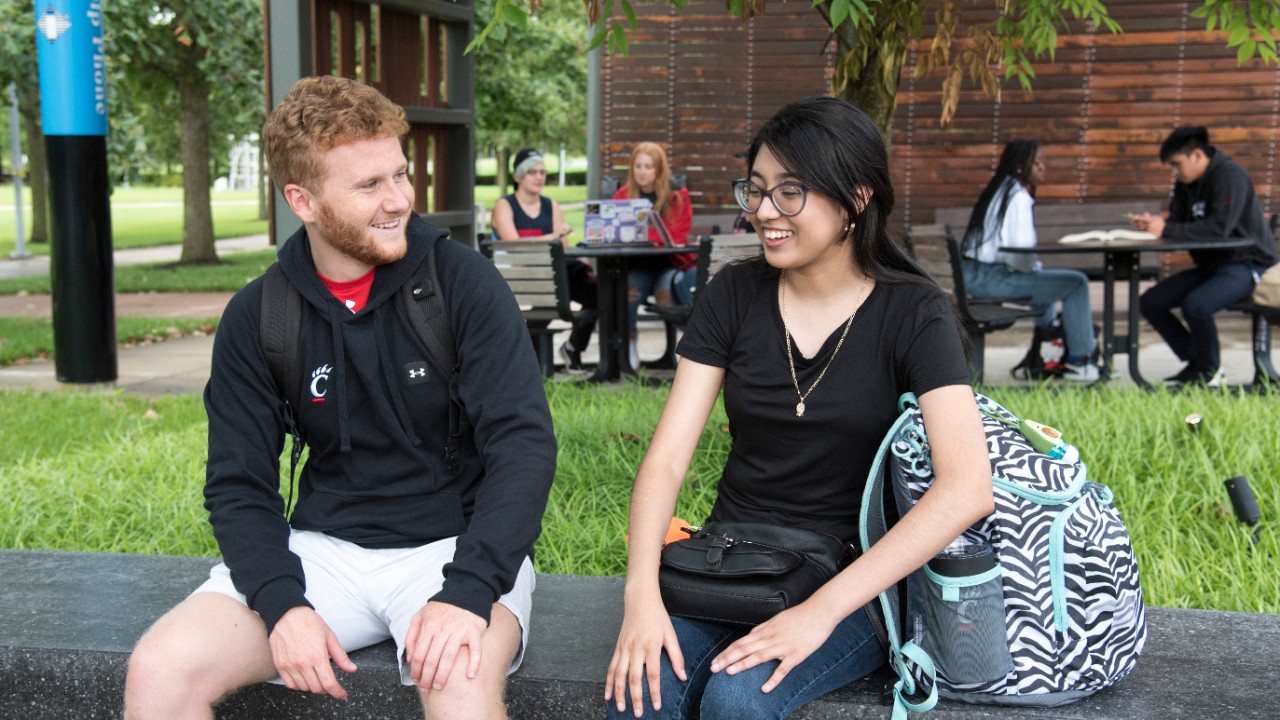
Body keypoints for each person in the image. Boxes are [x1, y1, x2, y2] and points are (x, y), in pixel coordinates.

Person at [123, 76, 557, 720]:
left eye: (400, 175)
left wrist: (467, 591)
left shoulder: (462, 283)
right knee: (160, 669)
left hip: (454, 547)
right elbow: (238, 483)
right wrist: (283, 604)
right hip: (322, 551)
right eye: (369, 185)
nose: (399, 200)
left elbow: (524, 445)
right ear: (302, 199)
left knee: (459, 683)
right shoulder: (259, 315)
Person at [602, 97, 993, 720]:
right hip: (733, 561)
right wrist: (641, 597)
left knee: (738, 700)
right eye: (755, 190)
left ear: (856, 200)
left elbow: (968, 487)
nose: (763, 212)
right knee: (640, 693)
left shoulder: (915, 313)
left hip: (851, 585)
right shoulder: (733, 293)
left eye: (790, 192)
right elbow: (667, 461)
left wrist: (818, 613)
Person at [1131, 126, 1280, 386]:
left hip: (1249, 264)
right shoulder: (1185, 185)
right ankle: (1199, 361)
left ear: (1197, 155)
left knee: (1196, 305)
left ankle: (1210, 370)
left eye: (1177, 164)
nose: (1175, 172)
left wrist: (1167, 228)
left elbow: (1219, 228)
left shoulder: (1229, 175)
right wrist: (1156, 223)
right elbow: (1177, 222)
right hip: (1213, 265)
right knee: (1151, 301)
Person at [961, 139, 1100, 381]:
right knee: (1076, 283)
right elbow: (1019, 252)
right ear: (1019, 166)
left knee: (1044, 292)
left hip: (972, 275)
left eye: (1043, 162)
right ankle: (1082, 361)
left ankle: (1044, 357)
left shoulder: (999, 189)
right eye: (1036, 163)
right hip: (991, 278)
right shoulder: (1018, 197)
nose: (1042, 168)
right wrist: (1035, 268)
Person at [493, 147, 598, 372]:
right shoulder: (505, 205)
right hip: (523, 279)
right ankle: (528, 362)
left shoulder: (552, 206)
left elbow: (563, 251)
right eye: (532, 172)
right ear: (518, 176)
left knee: (598, 292)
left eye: (542, 172)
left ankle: (572, 347)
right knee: (553, 293)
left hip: (553, 278)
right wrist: (552, 237)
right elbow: (513, 247)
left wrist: (553, 242)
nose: (539, 177)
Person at [612, 142, 695, 366]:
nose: (642, 171)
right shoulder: (622, 196)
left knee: (667, 296)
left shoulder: (677, 195)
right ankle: (629, 340)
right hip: (638, 266)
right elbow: (614, 232)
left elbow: (677, 236)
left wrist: (640, 234)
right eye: (637, 166)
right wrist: (654, 235)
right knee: (628, 288)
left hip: (670, 265)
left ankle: (687, 349)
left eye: (648, 166)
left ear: (659, 169)